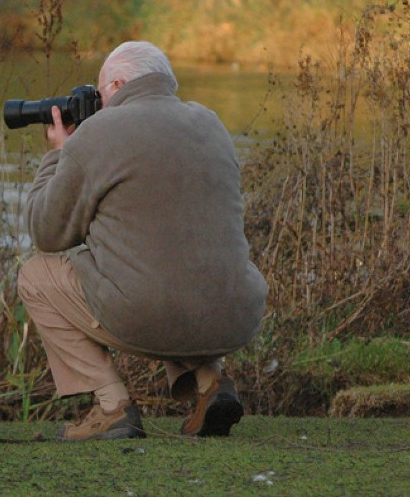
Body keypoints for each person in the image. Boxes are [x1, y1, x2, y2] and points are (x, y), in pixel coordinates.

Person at [17, 41, 268, 441]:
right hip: (236, 313)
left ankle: (112, 406)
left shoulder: (97, 133)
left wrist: (62, 154)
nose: (99, 103)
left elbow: (47, 232)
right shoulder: (210, 123)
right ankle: (209, 383)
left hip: (150, 313)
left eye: (100, 94)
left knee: (34, 275)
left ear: (116, 84)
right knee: (172, 259)